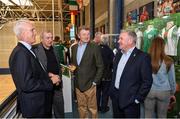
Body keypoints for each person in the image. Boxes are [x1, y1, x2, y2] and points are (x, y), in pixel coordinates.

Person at [9, 19, 60, 118]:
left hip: (39, 105)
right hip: (35, 108)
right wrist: (50, 81)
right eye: (32, 30)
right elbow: (27, 84)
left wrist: (47, 75)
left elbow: (32, 73)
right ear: (23, 33)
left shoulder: (26, 50)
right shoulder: (21, 53)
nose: (35, 33)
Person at [109, 30, 153, 118]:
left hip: (131, 102)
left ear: (130, 40)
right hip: (116, 98)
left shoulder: (143, 57)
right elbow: (115, 74)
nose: (118, 41)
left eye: (121, 39)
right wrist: (112, 92)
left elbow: (147, 81)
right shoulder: (118, 54)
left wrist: (137, 99)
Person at [71, 26, 104, 118]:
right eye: (84, 34)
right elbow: (74, 64)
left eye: (88, 34)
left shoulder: (94, 47)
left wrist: (95, 82)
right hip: (78, 85)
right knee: (81, 108)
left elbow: (100, 66)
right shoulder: (74, 48)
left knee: (92, 109)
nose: (87, 36)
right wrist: (71, 68)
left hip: (90, 84)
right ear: (78, 35)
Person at [33, 31, 64, 118]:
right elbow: (36, 70)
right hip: (45, 87)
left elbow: (58, 66)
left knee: (60, 110)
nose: (50, 40)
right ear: (41, 39)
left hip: (57, 86)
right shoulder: (35, 50)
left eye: (51, 38)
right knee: (46, 112)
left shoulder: (55, 49)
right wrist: (49, 76)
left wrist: (59, 79)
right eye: (47, 38)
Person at [144, 36, 176, 118]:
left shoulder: (145, 59)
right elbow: (172, 80)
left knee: (148, 115)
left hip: (149, 91)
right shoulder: (168, 60)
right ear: (163, 46)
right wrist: (172, 92)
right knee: (162, 116)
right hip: (164, 91)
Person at [93, 32, 114, 113]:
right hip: (107, 76)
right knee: (105, 93)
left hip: (98, 75)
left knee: (97, 92)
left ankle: (97, 107)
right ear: (107, 41)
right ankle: (104, 108)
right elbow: (112, 64)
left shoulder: (96, 49)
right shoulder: (110, 51)